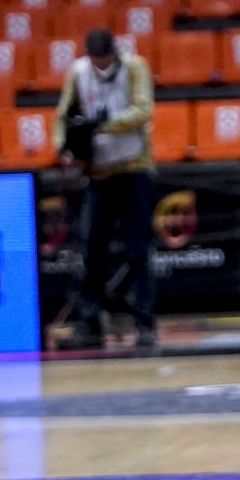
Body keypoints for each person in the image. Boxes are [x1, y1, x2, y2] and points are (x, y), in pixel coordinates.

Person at [54, 28, 157, 349]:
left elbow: (144, 111)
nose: (101, 66)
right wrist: (64, 146)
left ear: (114, 53)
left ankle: (144, 321)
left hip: (133, 169)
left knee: (138, 250)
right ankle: (90, 322)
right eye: (95, 61)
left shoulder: (135, 67)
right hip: (99, 174)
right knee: (92, 251)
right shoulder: (78, 72)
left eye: (105, 60)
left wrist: (104, 123)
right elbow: (61, 116)